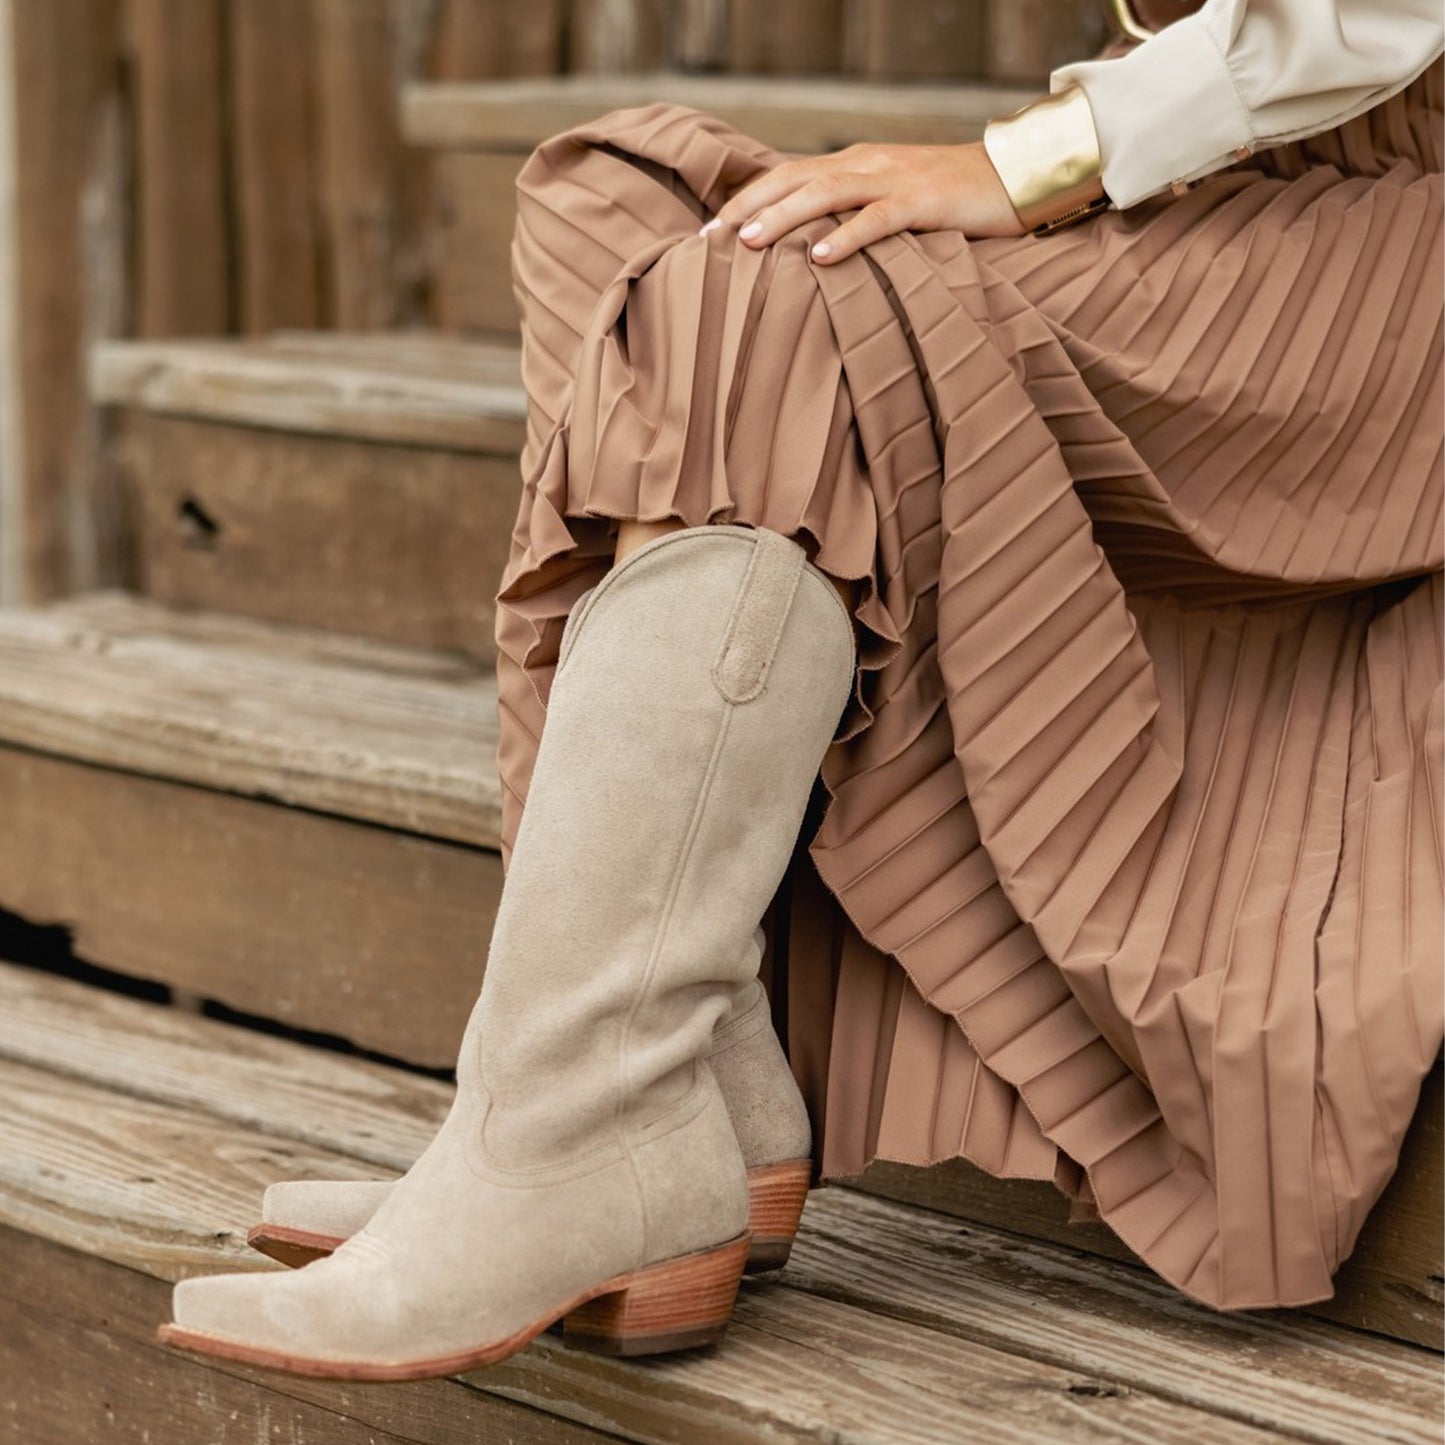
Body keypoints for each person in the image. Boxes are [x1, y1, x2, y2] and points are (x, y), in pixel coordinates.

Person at [158, 0, 1443, 1378]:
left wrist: (1047, 155)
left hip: (1376, 240)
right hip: (1199, 165)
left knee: (749, 299)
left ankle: (575, 1118)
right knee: (623, 204)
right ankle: (681, 1079)